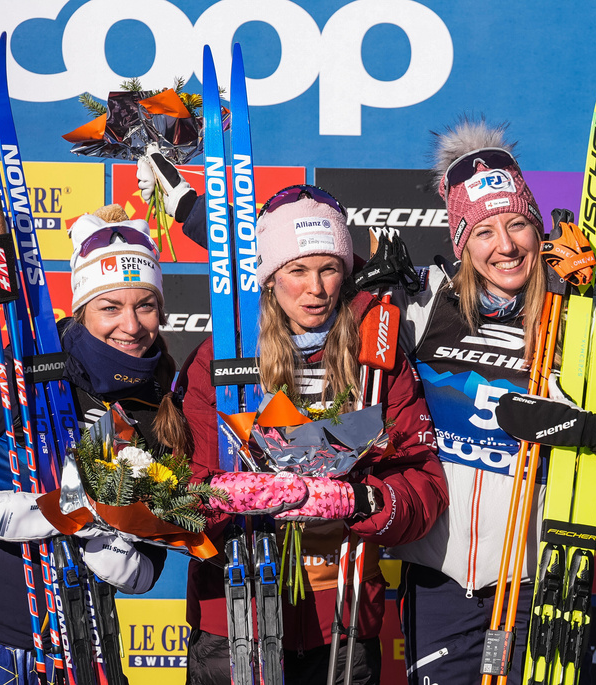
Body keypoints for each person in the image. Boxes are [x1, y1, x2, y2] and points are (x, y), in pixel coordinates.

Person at [376, 120, 596, 683]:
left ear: (537, 229)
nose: (505, 246)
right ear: (462, 241)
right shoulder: (422, 306)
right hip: (439, 585)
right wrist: (364, 291)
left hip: (536, 587)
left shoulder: (586, 323)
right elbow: (312, 316)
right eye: (484, 232)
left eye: (518, 224)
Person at [0, 205, 184, 684]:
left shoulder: (161, 403)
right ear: (82, 309)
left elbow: (157, 543)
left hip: (82, 634)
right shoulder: (18, 370)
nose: (131, 325)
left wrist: (121, 558)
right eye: (110, 307)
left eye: (145, 305)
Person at [175, 185, 449, 685]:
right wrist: (221, 497)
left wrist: (361, 501)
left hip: (342, 621)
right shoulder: (222, 358)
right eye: (297, 271)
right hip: (236, 618)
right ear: (270, 277)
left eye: (328, 269)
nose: (315, 289)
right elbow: (182, 493)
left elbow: (424, 485)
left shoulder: (377, 360)